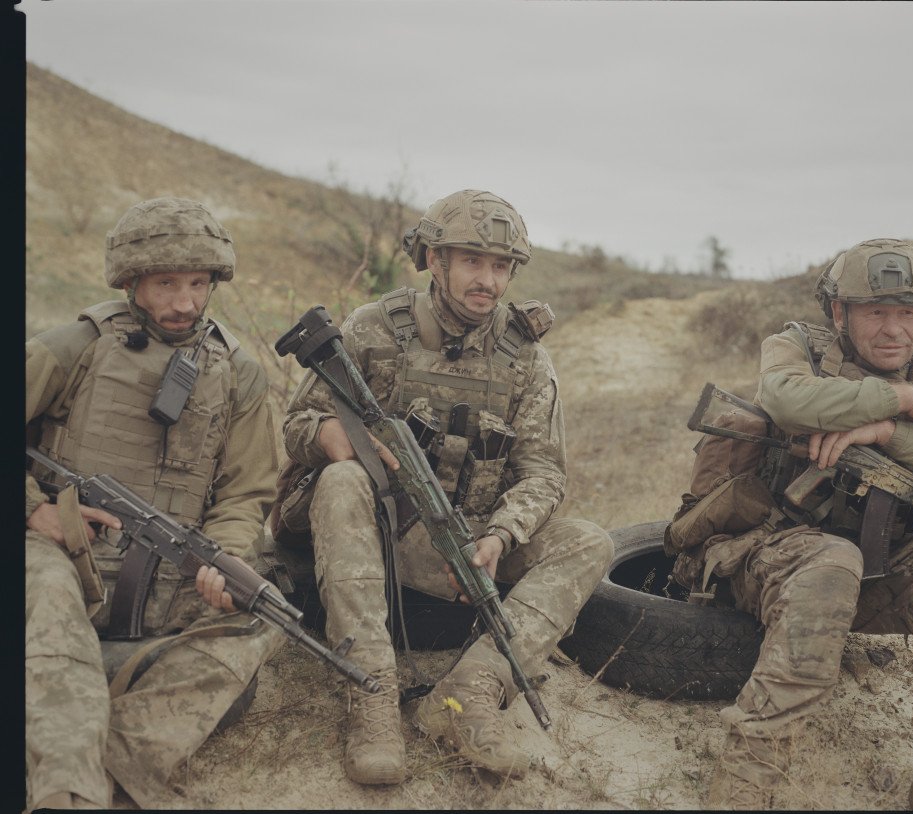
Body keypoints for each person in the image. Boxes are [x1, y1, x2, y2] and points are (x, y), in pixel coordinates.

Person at [276, 188, 613, 784]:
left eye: (501, 266)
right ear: (437, 262)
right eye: (472, 262)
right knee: (345, 477)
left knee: (588, 541)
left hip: (464, 541)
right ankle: (373, 694)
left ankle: (466, 697)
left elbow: (543, 473)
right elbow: (298, 425)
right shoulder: (373, 329)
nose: (487, 279)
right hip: (372, 528)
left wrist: (500, 538)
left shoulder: (527, 360)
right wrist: (333, 436)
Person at [690, 238, 913, 810]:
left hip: (873, 581)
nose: (894, 330)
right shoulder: (795, 351)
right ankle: (747, 779)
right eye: (876, 312)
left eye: (907, 314)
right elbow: (787, 401)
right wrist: (903, 399)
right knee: (834, 560)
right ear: (840, 313)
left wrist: (891, 432)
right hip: (767, 563)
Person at [25, 197, 283, 810]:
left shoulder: (241, 376)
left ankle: (115, 768)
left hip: (169, 579)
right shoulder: (72, 349)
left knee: (260, 621)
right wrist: (31, 508)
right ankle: (66, 790)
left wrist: (223, 563)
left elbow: (246, 494)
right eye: (167, 283)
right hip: (63, 555)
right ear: (132, 281)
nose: (185, 302)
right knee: (46, 593)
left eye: (198, 284)